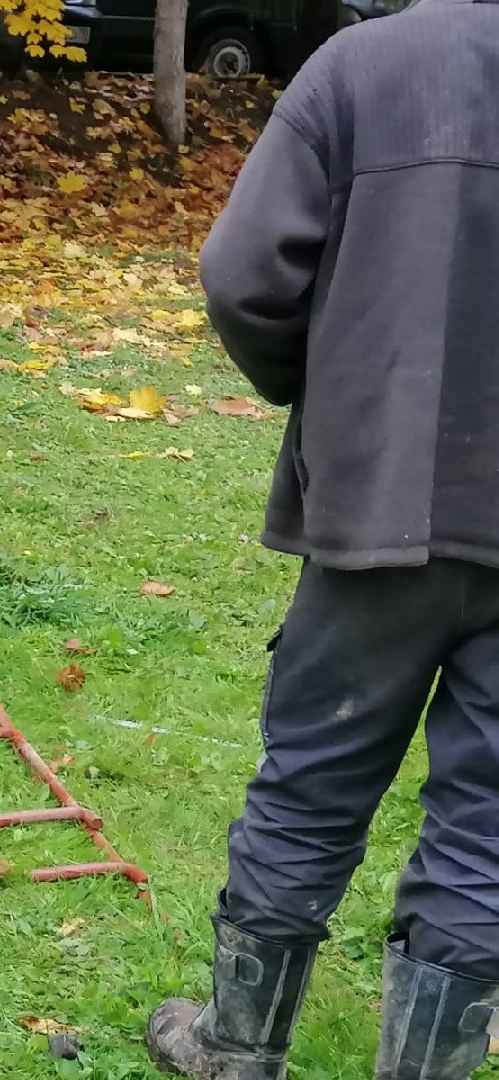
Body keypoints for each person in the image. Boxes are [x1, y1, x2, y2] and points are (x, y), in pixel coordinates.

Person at [145, 3, 499, 1078]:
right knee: (488, 828)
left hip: (381, 504)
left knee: (309, 781)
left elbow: (242, 275)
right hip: (399, 501)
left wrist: (339, 396)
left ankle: (237, 1052)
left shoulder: (364, 64)